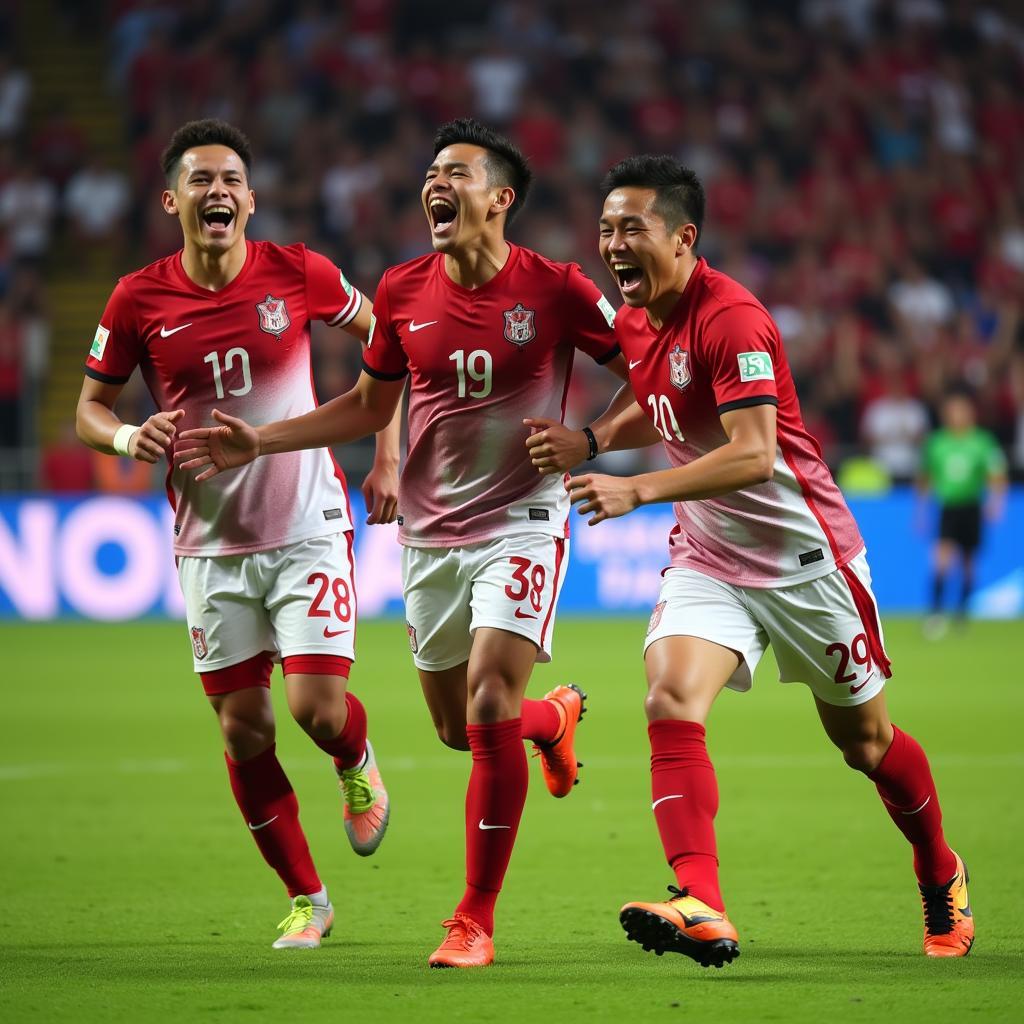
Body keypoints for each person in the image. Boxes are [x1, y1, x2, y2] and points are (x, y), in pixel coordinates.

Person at [176, 118, 632, 968]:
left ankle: (473, 919)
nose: (436, 182)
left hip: (523, 519)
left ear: (501, 199)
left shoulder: (560, 288)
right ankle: (554, 719)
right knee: (463, 729)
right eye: (431, 170)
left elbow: (652, 370)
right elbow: (364, 405)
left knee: (489, 702)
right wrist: (264, 439)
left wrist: (594, 441)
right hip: (429, 534)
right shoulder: (400, 291)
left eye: (456, 171)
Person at [526, 155, 973, 966]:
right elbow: (650, 395)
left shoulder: (733, 318)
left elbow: (756, 454)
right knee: (667, 698)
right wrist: (593, 439)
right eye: (605, 229)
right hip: (709, 555)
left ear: (684, 237)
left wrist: (640, 489)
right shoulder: (635, 317)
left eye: (632, 228)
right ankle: (702, 900)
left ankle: (940, 869)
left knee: (866, 743)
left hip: (808, 561)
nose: (613, 244)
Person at [75, 119, 400, 950]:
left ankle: (356, 766)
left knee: (317, 712)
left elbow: (384, 343)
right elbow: (89, 408)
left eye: (230, 180)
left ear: (250, 199)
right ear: (172, 198)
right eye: (200, 179)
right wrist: (123, 437)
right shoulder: (136, 298)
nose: (216, 191)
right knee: (242, 729)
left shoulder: (297, 271)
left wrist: (387, 452)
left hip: (306, 526)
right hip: (210, 545)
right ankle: (309, 900)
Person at [918, 390, 1007, 634]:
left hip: (972, 507)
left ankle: (962, 613)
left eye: (961, 410)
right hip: (948, 507)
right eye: (952, 411)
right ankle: (935, 613)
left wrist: (996, 502)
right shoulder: (937, 443)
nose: (956, 415)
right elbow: (926, 477)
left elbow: (996, 475)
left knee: (968, 563)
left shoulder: (982, 442)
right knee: (941, 559)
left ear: (970, 414)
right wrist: (922, 510)